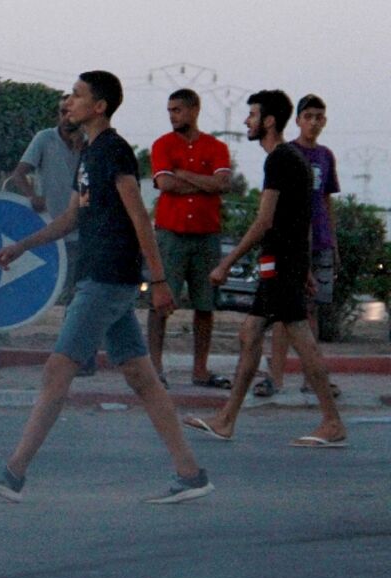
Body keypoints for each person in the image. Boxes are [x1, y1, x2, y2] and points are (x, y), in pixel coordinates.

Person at [0, 71, 211, 505]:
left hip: (107, 278)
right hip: (102, 277)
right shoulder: (90, 154)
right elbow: (71, 218)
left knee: (58, 370)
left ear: (99, 106)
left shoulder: (113, 151)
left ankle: (13, 473)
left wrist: (159, 279)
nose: (68, 102)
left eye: (77, 96)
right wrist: (22, 245)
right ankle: (190, 474)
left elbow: (139, 216)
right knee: (142, 378)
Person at [182, 90, 346, 449]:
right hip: (285, 263)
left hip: (281, 264)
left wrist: (226, 263)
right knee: (251, 334)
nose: (246, 122)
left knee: (301, 341)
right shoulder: (294, 159)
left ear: (269, 121)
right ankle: (226, 419)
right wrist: (303, 265)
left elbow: (264, 220)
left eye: (253, 115)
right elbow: (301, 219)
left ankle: (332, 421)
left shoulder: (280, 160)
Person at [256, 94, 343, 399]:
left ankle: (313, 377)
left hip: (317, 241)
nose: (314, 122)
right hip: (291, 243)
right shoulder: (287, 153)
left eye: (320, 117)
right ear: (298, 120)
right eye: (309, 116)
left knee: (311, 310)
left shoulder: (325, 156)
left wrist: (332, 243)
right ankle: (275, 376)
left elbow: (326, 200)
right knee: (285, 312)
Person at [147, 89, 233, 389]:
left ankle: (200, 369)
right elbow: (165, 182)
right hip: (171, 234)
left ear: (194, 110)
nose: (173, 116)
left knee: (205, 304)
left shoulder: (216, 146)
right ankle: (155, 367)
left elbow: (222, 183)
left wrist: (185, 173)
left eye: (178, 110)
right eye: (170, 110)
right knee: (161, 304)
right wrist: (202, 181)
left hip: (206, 235)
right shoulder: (162, 145)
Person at [10, 94, 91, 372]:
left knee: (78, 295)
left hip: (81, 229)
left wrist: (84, 150)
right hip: (51, 228)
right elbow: (19, 173)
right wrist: (33, 195)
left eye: (70, 112)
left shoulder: (89, 143)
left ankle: (74, 354)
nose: (66, 117)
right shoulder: (45, 138)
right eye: (61, 112)